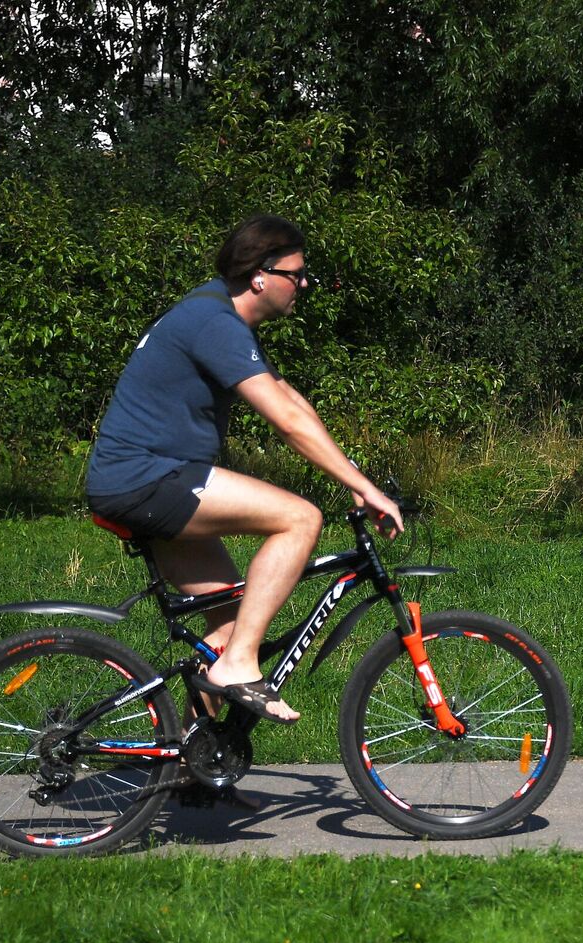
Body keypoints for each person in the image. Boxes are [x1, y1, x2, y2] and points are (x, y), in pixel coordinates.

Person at [84, 214, 401, 724]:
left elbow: (290, 400)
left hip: (147, 479)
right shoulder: (213, 323)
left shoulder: (216, 312)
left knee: (230, 627)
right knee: (301, 518)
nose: (303, 285)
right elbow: (286, 423)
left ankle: (192, 766)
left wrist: (356, 477)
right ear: (260, 275)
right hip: (147, 478)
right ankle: (237, 668)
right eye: (296, 274)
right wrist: (362, 487)